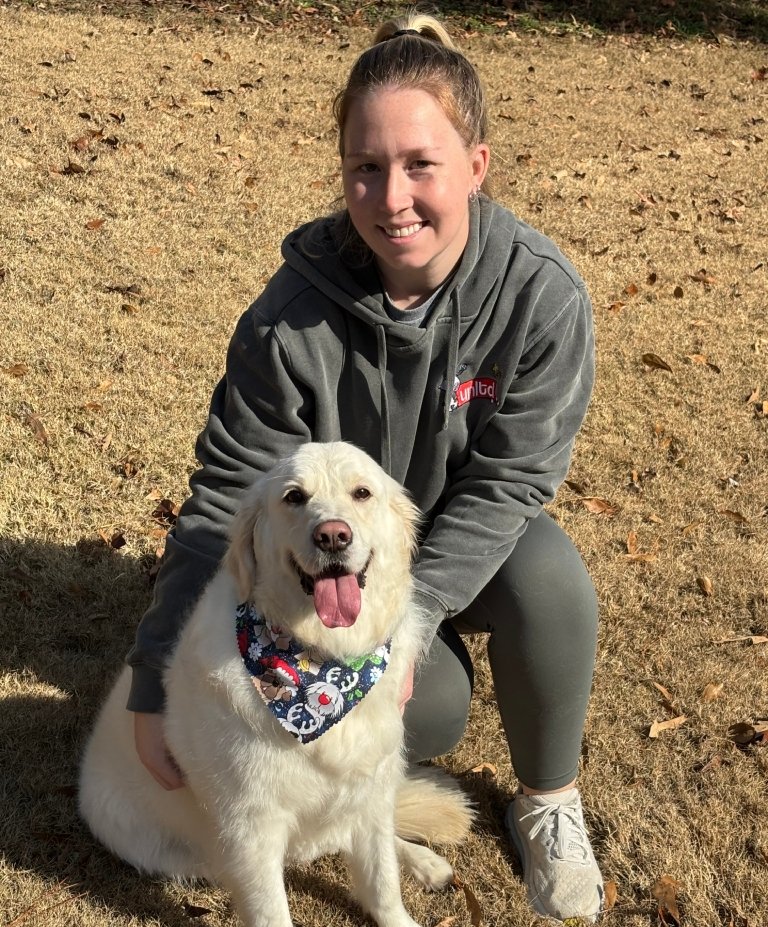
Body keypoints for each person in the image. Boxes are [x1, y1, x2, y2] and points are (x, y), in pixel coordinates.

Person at [127, 12, 603, 923]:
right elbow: (228, 493)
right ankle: (372, 784)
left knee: (550, 576)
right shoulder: (287, 320)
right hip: (324, 574)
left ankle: (549, 802)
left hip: (458, 550)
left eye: (421, 163)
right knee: (430, 716)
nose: (392, 198)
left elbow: (510, 482)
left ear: (477, 164)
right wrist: (154, 680)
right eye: (366, 167)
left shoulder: (543, 296)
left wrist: (415, 619)